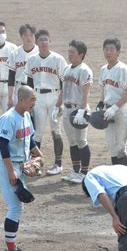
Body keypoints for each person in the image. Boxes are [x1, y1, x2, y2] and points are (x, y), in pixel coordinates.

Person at [0, 85, 43, 251]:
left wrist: (39, 154)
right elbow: (4, 146)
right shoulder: (8, 118)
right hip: (7, 166)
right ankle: (11, 250)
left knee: (18, 206)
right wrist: (10, 172)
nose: (34, 103)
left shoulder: (27, 116)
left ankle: (12, 247)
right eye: (32, 99)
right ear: (21, 100)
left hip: (19, 165)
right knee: (15, 207)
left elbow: (29, 140)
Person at [25, 29, 67, 175]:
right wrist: (29, 102)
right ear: (36, 42)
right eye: (41, 40)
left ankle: (58, 164)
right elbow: (29, 81)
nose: (43, 42)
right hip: (38, 97)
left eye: (46, 40)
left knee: (56, 130)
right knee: (37, 132)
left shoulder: (58, 59)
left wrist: (60, 102)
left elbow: (64, 82)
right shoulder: (32, 60)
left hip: (55, 96)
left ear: (50, 42)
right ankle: (36, 165)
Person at [60, 40, 93, 184]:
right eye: (69, 52)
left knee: (81, 141)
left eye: (72, 52)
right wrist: (57, 105)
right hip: (67, 109)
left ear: (81, 54)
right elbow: (63, 89)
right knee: (72, 142)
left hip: (79, 110)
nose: (70, 54)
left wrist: (82, 110)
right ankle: (75, 170)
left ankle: (84, 172)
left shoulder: (85, 70)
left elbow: (86, 92)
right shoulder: (67, 69)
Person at [97, 38, 127, 166]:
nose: (108, 52)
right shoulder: (103, 70)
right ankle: (116, 178)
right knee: (112, 148)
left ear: (118, 52)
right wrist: (101, 103)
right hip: (108, 111)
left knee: (120, 148)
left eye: (112, 49)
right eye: (106, 49)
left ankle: (124, 181)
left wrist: (115, 108)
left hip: (121, 111)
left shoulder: (123, 69)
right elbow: (104, 89)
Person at [7, 24, 38, 107]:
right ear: (21, 37)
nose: (29, 38)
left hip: (35, 88)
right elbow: (11, 77)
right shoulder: (15, 53)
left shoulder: (39, 52)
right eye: (26, 35)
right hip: (19, 88)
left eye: (31, 35)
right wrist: (10, 97)